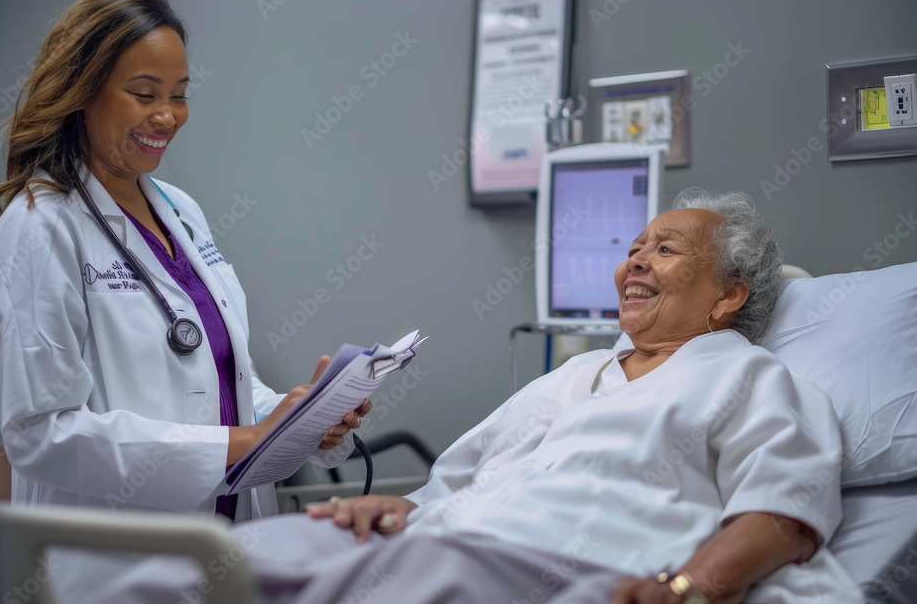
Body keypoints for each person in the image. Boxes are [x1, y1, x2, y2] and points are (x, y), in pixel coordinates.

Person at [102, 188, 859, 603]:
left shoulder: (751, 376)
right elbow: (452, 483)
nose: (634, 263)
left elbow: (782, 511)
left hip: (557, 559)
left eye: (664, 250)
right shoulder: (573, 375)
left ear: (729, 295)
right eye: (632, 249)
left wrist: (691, 585)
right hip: (445, 539)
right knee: (215, 563)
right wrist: (400, 507)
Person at [0, 0, 371, 523]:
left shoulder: (180, 211)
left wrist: (296, 420)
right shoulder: (38, 230)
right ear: (82, 93)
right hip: (120, 562)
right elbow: (44, 434)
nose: (167, 116)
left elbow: (216, 376)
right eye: (144, 93)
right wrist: (242, 441)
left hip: (229, 540)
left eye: (179, 94)